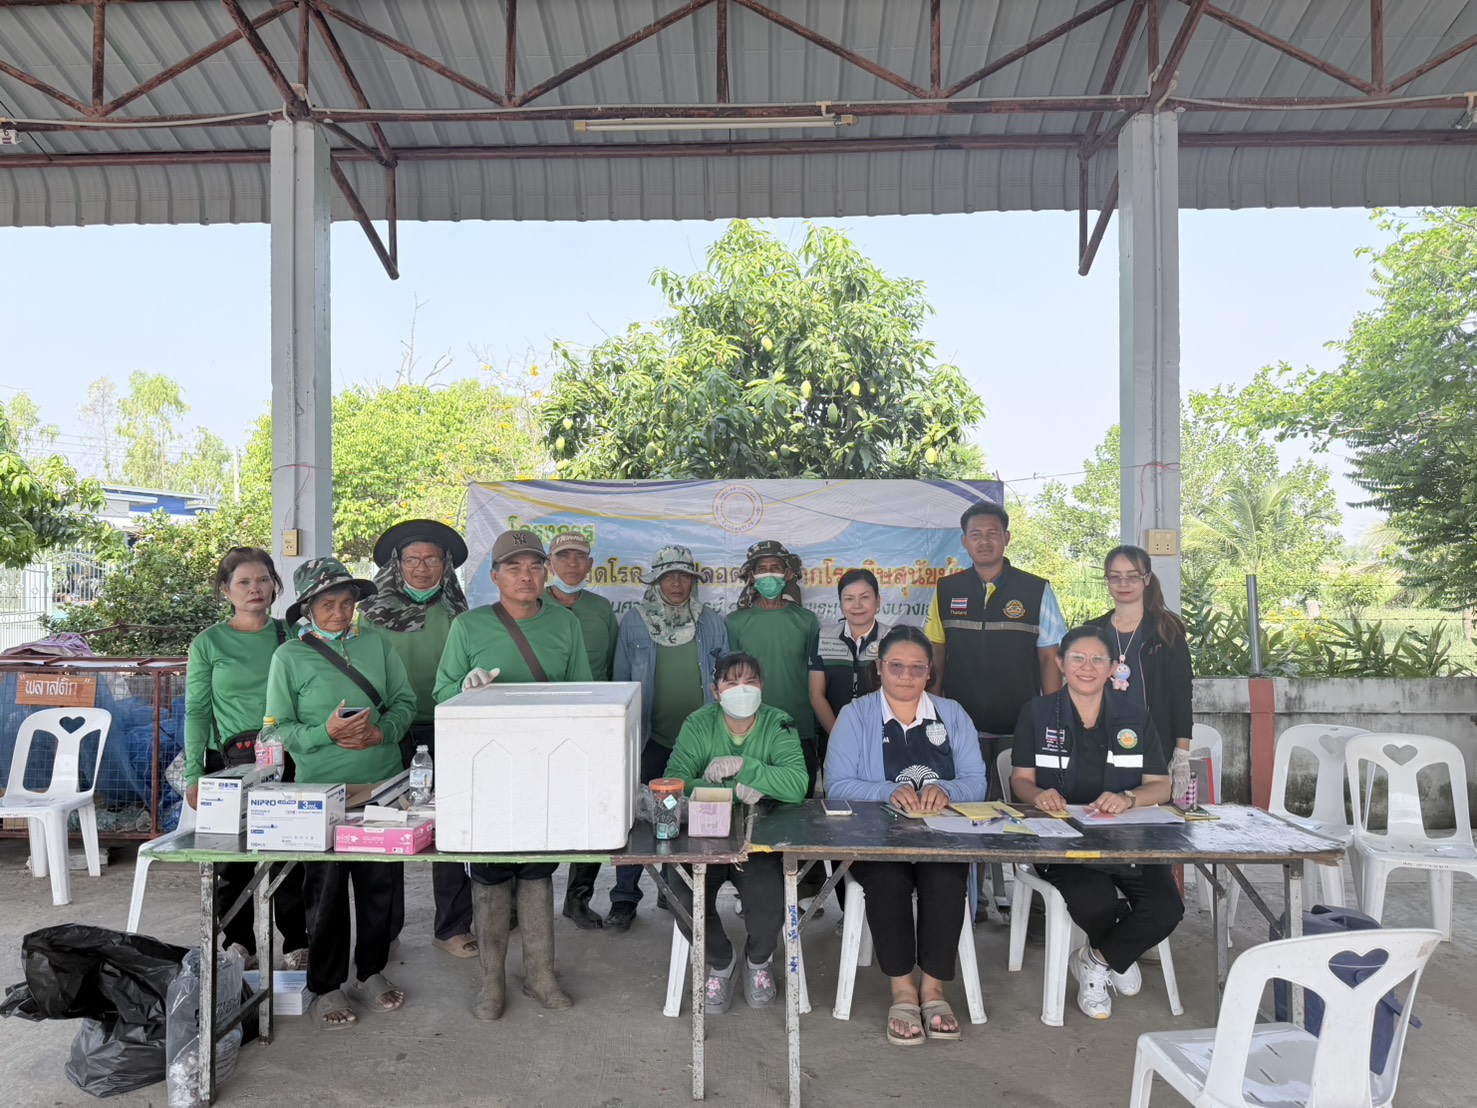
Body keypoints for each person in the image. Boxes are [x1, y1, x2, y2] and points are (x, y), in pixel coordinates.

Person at [433, 529, 592, 1020]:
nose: (526, 576)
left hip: (545, 769)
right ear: (495, 576)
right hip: (486, 772)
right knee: (490, 871)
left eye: (535, 567)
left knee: (539, 868)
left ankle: (541, 975)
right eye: (514, 568)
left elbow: (583, 695)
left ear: (546, 573)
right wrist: (464, 689)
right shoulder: (468, 626)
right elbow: (440, 695)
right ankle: (491, 982)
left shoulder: (565, 623)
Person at [266, 557, 419, 1028]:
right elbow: (278, 728)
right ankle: (326, 984)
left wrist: (382, 732)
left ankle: (370, 971)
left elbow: (405, 701)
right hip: (321, 793)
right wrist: (325, 733)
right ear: (307, 609)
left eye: (347, 602)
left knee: (379, 887)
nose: (339, 612)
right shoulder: (289, 657)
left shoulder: (377, 644)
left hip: (382, 787)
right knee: (326, 892)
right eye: (327, 604)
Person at [1010, 625, 1184, 1021]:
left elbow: (1161, 786)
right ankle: (1118, 954)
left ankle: (1098, 959)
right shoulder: (1037, 712)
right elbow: (1019, 779)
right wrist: (1037, 796)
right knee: (1095, 900)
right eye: (1077, 658)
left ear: (1112, 668)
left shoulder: (1135, 715)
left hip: (1127, 840)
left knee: (1165, 907)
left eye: (1097, 660)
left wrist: (1129, 798)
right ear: (1060, 663)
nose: (1086, 667)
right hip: (1062, 843)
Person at [824, 625, 988, 1045]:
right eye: (896, 666)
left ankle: (933, 990)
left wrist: (946, 790)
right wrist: (886, 791)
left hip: (941, 836)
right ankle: (902, 991)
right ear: (879, 668)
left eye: (917, 668)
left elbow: (976, 782)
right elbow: (837, 785)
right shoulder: (856, 715)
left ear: (929, 672)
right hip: (875, 837)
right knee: (887, 879)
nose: (906, 675)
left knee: (946, 877)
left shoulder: (952, 714)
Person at [925, 501, 1065, 916]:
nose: (984, 541)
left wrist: (1050, 715)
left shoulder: (1036, 589)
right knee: (964, 813)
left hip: (1019, 727)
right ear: (964, 541)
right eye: (976, 534)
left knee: (1030, 815)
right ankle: (973, 901)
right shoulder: (946, 590)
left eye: (992, 533)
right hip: (961, 728)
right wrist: (935, 713)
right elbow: (936, 656)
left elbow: (1050, 657)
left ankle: (1037, 908)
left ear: (1007, 538)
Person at [183, 547, 308, 970]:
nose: (255, 589)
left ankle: (297, 944)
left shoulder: (290, 636)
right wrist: (194, 774)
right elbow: (197, 711)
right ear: (226, 590)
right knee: (232, 862)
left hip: (287, 758)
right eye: (244, 582)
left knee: (290, 854)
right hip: (228, 763)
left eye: (263, 580)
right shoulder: (209, 642)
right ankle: (239, 945)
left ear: (275, 586)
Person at [662, 652, 808, 1013]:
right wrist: (733, 791)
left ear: (762, 687)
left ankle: (758, 960)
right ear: (716, 691)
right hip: (703, 834)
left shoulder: (778, 723)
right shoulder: (699, 724)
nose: (742, 690)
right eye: (731, 683)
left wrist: (747, 766)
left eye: (750, 682)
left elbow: (797, 785)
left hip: (758, 836)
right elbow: (673, 783)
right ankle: (721, 961)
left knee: (770, 896)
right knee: (679, 890)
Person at [361, 519, 475, 958]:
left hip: (449, 726)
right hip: (389, 730)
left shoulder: (459, 613)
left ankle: (452, 927)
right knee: (385, 826)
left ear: (445, 565)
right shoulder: (370, 615)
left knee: (450, 827)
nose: (422, 568)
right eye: (412, 559)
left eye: (431, 559)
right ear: (398, 564)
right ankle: (384, 932)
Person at [605, 545, 728, 931]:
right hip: (649, 739)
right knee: (637, 820)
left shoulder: (711, 621)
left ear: (693, 581)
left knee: (690, 818)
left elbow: (726, 678)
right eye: (668, 576)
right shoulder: (635, 622)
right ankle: (624, 897)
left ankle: (673, 888)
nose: (677, 583)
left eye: (684, 576)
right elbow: (621, 683)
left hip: (699, 742)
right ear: (656, 581)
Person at [543, 530, 619, 932]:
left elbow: (612, 665)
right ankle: (524, 899)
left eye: (579, 558)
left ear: (590, 566)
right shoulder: (532, 604)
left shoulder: (602, 609)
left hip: (593, 723)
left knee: (590, 810)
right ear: (550, 564)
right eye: (563, 556)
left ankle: (578, 899)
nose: (572, 564)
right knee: (540, 807)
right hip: (542, 723)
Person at [1086, 545, 1195, 803]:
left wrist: (1181, 754)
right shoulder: (1093, 631)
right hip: (1102, 745)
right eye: (1115, 576)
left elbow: (1181, 694)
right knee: (1103, 811)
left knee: (1148, 815)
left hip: (1153, 745)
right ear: (1107, 580)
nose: (1123, 583)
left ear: (1146, 579)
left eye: (1132, 576)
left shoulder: (1166, 630)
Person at [726, 540, 823, 792]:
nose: (769, 574)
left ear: (787, 573)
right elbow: (732, 679)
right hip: (752, 727)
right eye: (762, 568)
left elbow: (814, 675)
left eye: (775, 567)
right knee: (751, 799)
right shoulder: (735, 622)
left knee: (799, 797)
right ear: (751, 576)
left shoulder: (807, 621)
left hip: (799, 726)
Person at [809, 568, 889, 745]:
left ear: (878, 601)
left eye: (865, 597)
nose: (857, 605)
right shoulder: (823, 637)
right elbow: (816, 695)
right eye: (849, 598)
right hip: (834, 739)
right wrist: (840, 737)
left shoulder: (892, 639)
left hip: (882, 739)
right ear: (840, 603)